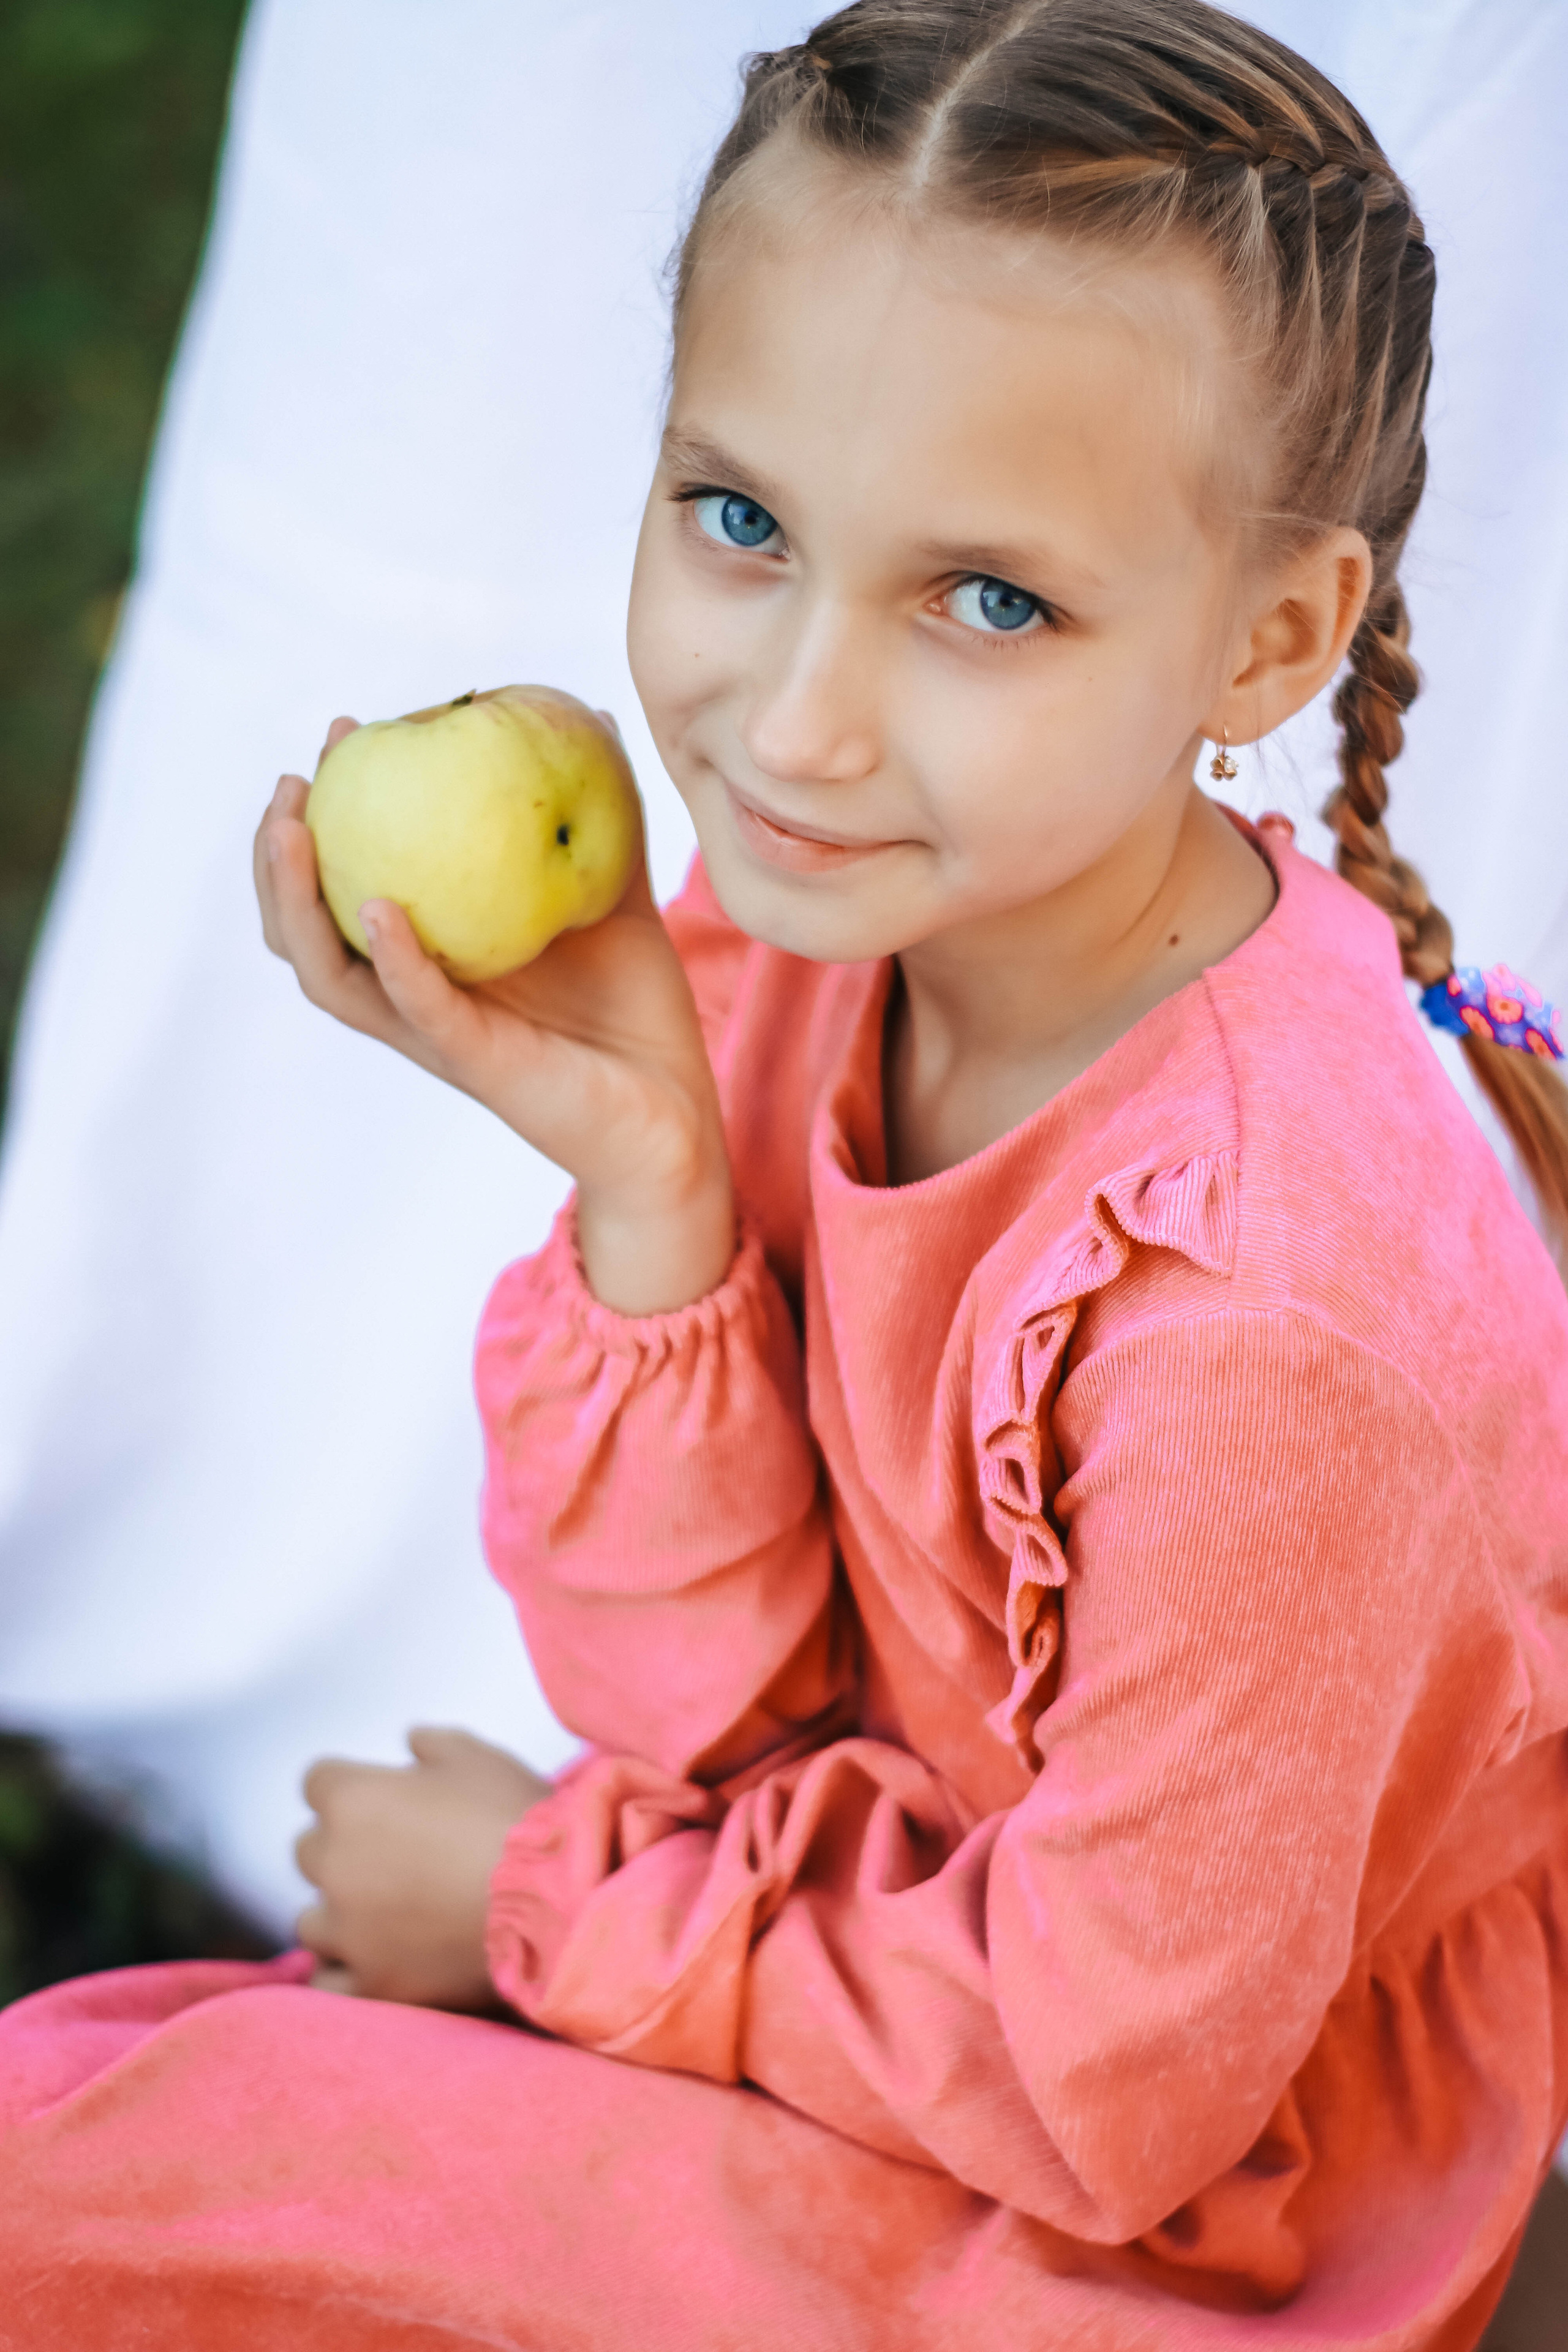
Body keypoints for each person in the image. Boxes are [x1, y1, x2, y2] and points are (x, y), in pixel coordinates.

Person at [1, 1, 1566, 2342]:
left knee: (123, 2203)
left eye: (990, 600)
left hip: (1194, 2209)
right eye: (741, 521)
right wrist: (648, 1174)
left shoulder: (1275, 1318)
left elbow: (1105, 2100)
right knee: (96, 2147)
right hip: (876, 1983)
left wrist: (547, 1905)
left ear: (1274, 635)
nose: (798, 720)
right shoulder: (836, 936)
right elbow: (712, 1728)